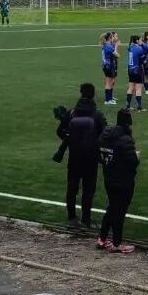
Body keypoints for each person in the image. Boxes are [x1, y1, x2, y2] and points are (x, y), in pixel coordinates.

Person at [97, 108, 140, 253]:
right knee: (119, 211)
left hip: (109, 178)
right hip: (123, 181)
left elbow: (100, 156)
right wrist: (136, 156)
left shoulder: (105, 136)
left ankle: (102, 239)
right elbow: (133, 161)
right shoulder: (125, 139)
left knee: (111, 208)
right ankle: (116, 243)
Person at [65, 85, 107, 227]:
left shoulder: (72, 113)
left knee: (72, 187)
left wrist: (70, 142)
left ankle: (71, 217)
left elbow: (62, 131)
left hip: (74, 155)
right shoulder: (97, 114)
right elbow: (105, 134)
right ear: (93, 95)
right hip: (91, 156)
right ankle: (86, 219)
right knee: (88, 189)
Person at [124, 35, 146, 112]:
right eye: (140, 40)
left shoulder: (130, 47)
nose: (141, 41)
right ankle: (139, 106)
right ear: (137, 40)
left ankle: (128, 106)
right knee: (138, 88)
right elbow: (143, 60)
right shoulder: (139, 48)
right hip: (137, 69)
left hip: (130, 69)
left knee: (130, 87)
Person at [100, 32, 120, 105]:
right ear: (110, 38)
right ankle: (107, 100)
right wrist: (116, 46)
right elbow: (117, 55)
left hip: (106, 65)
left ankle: (110, 98)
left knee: (110, 82)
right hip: (109, 66)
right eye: (112, 37)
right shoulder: (109, 46)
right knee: (109, 83)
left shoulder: (105, 45)